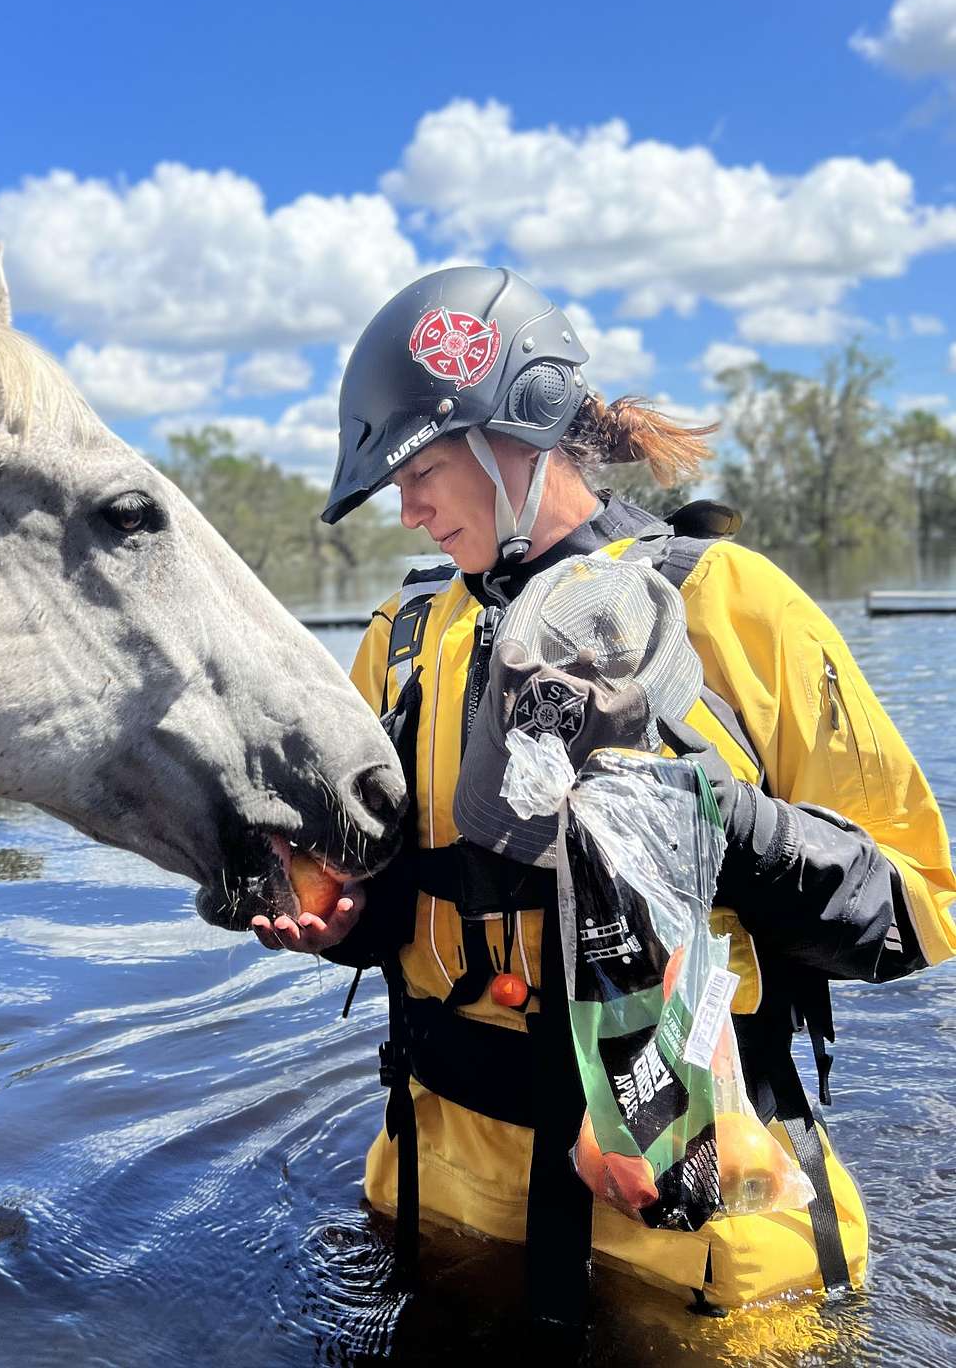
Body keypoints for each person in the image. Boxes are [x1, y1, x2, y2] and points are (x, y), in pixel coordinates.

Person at [248, 266, 956, 1322]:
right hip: (437, 1222)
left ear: (519, 430)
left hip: (695, 1248)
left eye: (424, 468)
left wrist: (714, 821)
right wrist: (345, 918)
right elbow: (401, 901)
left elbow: (917, 909)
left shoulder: (730, 604)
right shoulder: (400, 646)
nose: (406, 511)